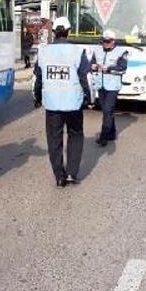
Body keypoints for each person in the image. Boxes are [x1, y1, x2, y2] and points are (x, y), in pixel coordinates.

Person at [33, 16, 92, 187]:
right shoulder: (78, 52)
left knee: (54, 140)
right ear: (69, 32)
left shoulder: (43, 52)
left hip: (52, 105)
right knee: (75, 135)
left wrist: (37, 98)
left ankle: (59, 176)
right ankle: (72, 174)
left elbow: (37, 79)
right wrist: (90, 99)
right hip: (74, 104)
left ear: (53, 32)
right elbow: (86, 78)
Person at [91, 29, 128, 146]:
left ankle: (104, 136)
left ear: (113, 41)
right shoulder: (96, 51)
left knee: (107, 110)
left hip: (113, 86)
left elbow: (123, 69)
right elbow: (90, 64)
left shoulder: (121, 52)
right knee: (107, 111)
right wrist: (93, 66)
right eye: (104, 41)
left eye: (108, 41)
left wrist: (109, 69)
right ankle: (112, 132)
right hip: (100, 85)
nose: (106, 43)